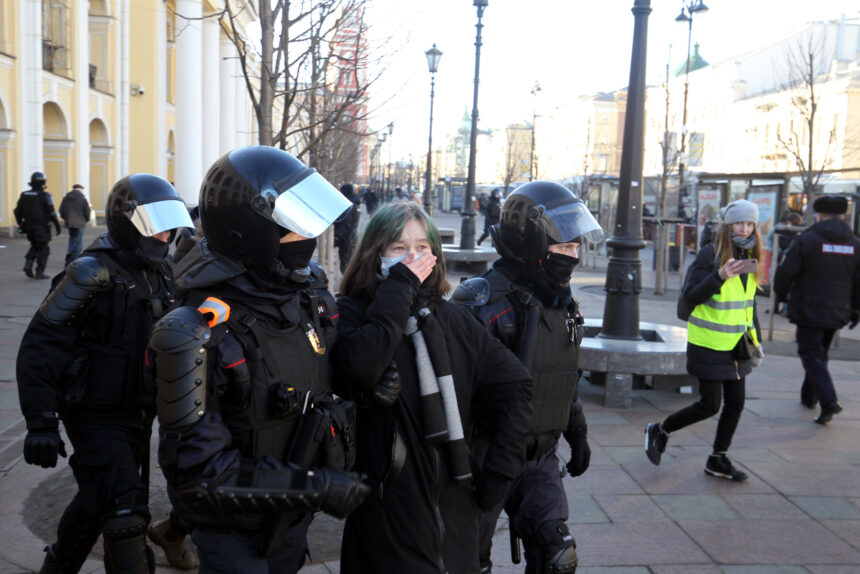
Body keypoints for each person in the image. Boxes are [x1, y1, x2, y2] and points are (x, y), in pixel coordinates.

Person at [149, 146, 370, 573]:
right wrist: (314, 486)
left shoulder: (306, 296)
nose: (308, 238)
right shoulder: (195, 332)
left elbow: (324, 365)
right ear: (248, 232)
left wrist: (369, 375)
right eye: (294, 227)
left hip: (290, 517)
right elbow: (198, 477)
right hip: (235, 533)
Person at [333, 201, 534, 573]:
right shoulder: (351, 313)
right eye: (399, 248)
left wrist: (499, 474)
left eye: (422, 248)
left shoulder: (452, 319)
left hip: (455, 514)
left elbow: (516, 386)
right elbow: (359, 368)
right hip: (388, 515)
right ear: (375, 254)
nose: (412, 257)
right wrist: (400, 287)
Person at [16, 174, 198, 573]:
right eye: (155, 224)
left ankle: (58, 565)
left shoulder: (161, 271)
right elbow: (41, 346)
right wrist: (41, 420)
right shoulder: (89, 273)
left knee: (100, 496)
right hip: (94, 412)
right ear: (126, 221)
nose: (166, 235)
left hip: (139, 410)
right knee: (125, 511)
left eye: (170, 223)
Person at [454, 181, 604, 574]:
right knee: (467, 561)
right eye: (564, 246)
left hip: (540, 456)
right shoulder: (484, 301)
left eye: (575, 247)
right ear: (532, 242)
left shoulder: (562, 302)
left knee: (558, 555)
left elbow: (563, 371)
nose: (572, 256)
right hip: (484, 455)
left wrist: (578, 430)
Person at [645, 199, 763, 482]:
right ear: (728, 225)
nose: (744, 229)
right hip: (709, 343)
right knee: (710, 404)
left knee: (736, 404)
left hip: (738, 345)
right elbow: (692, 296)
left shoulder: (749, 256)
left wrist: (756, 342)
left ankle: (717, 458)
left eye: (750, 224)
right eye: (739, 223)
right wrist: (719, 276)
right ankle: (660, 429)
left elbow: (749, 304)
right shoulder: (710, 254)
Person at [774, 195, 860, 424]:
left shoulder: (808, 239)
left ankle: (828, 401)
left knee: (811, 354)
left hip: (808, 307)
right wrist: (856, 309)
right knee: (819, 354)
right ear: (842, 216)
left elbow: (786, 272)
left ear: (819, 215)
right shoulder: (854, 243)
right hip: (838, 309)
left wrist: (781, 297)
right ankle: (809, 397)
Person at [14, 171, 62, 279]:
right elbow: (52, 212)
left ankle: (28, 264)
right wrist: (57, 226)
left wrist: (21, 224)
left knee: (35, 245)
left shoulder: (24, 194)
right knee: (44, 249)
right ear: (43, 182)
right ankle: (39, 272)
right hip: (41, 227)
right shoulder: (45, 195)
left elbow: (17, 211)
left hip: (28, 227)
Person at [59, 183, 92, 265]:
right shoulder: (82, 198)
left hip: (70, 223)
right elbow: (87, 211)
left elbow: (61, 211)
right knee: (78, 243)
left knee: (72, 239)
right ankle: (74, 261)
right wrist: (86, 220)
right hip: (79, 223)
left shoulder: (66, 198)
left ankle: (69, 256)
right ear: (79, 189)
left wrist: (66, 219)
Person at [334, 183, 361, 272]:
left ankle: (348, 284)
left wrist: (337, 237)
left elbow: (346, 224)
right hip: (351, 237)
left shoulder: (348, 205)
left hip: (346, 239)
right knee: (349, 262)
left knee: (346, 265)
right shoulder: (353, 202)